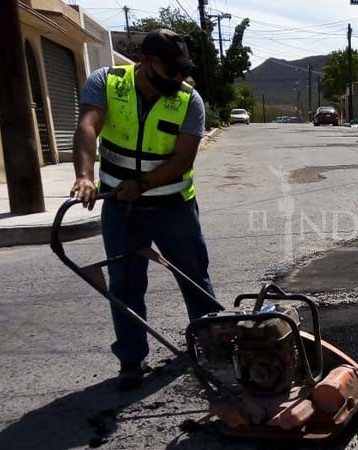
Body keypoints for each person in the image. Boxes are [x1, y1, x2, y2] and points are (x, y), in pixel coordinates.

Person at [70, 29, 220, 390]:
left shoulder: (189, 100)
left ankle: (213, 346)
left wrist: (143, 185)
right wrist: (85, 175)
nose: (178, 78)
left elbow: (183, 158)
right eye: (170, 70)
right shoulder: (107, 83)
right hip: (120, 210)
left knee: (193, 277)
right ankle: (131, 360)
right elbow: (88, 126)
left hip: (173, 207)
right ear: (145, 62)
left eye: (182, 70)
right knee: (125, 283)